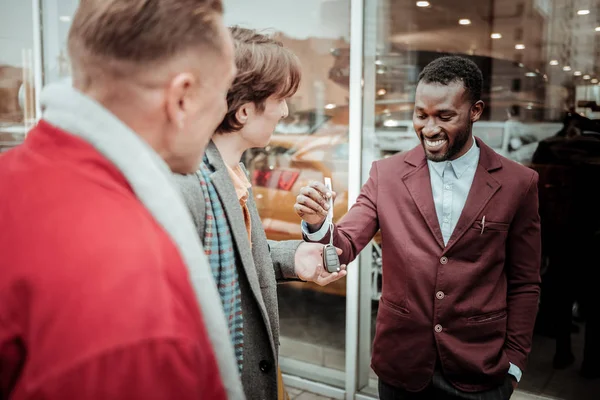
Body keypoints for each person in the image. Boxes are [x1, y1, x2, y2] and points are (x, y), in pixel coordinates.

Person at [0, 1, 244, 399]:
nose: (223, 111)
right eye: (224, 91)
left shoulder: (13, 174)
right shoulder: (136, 299)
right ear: (182, 99)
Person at [294, 56, 542, 399]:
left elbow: (525, 281)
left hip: (480, 373)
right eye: (420, 115)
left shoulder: (519, 183)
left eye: (445, 116)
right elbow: (346, 242)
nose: (429, 128)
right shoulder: (386, 174)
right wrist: (318, 223)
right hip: (402, 368)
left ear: (476, 111)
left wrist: (513, 365)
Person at [174, 26, 346, 400]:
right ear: (244, 108)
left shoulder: (230, 169)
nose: (285, 111)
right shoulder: (188, 186)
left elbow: (237, 259)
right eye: (280, 98)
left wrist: (292, 257)